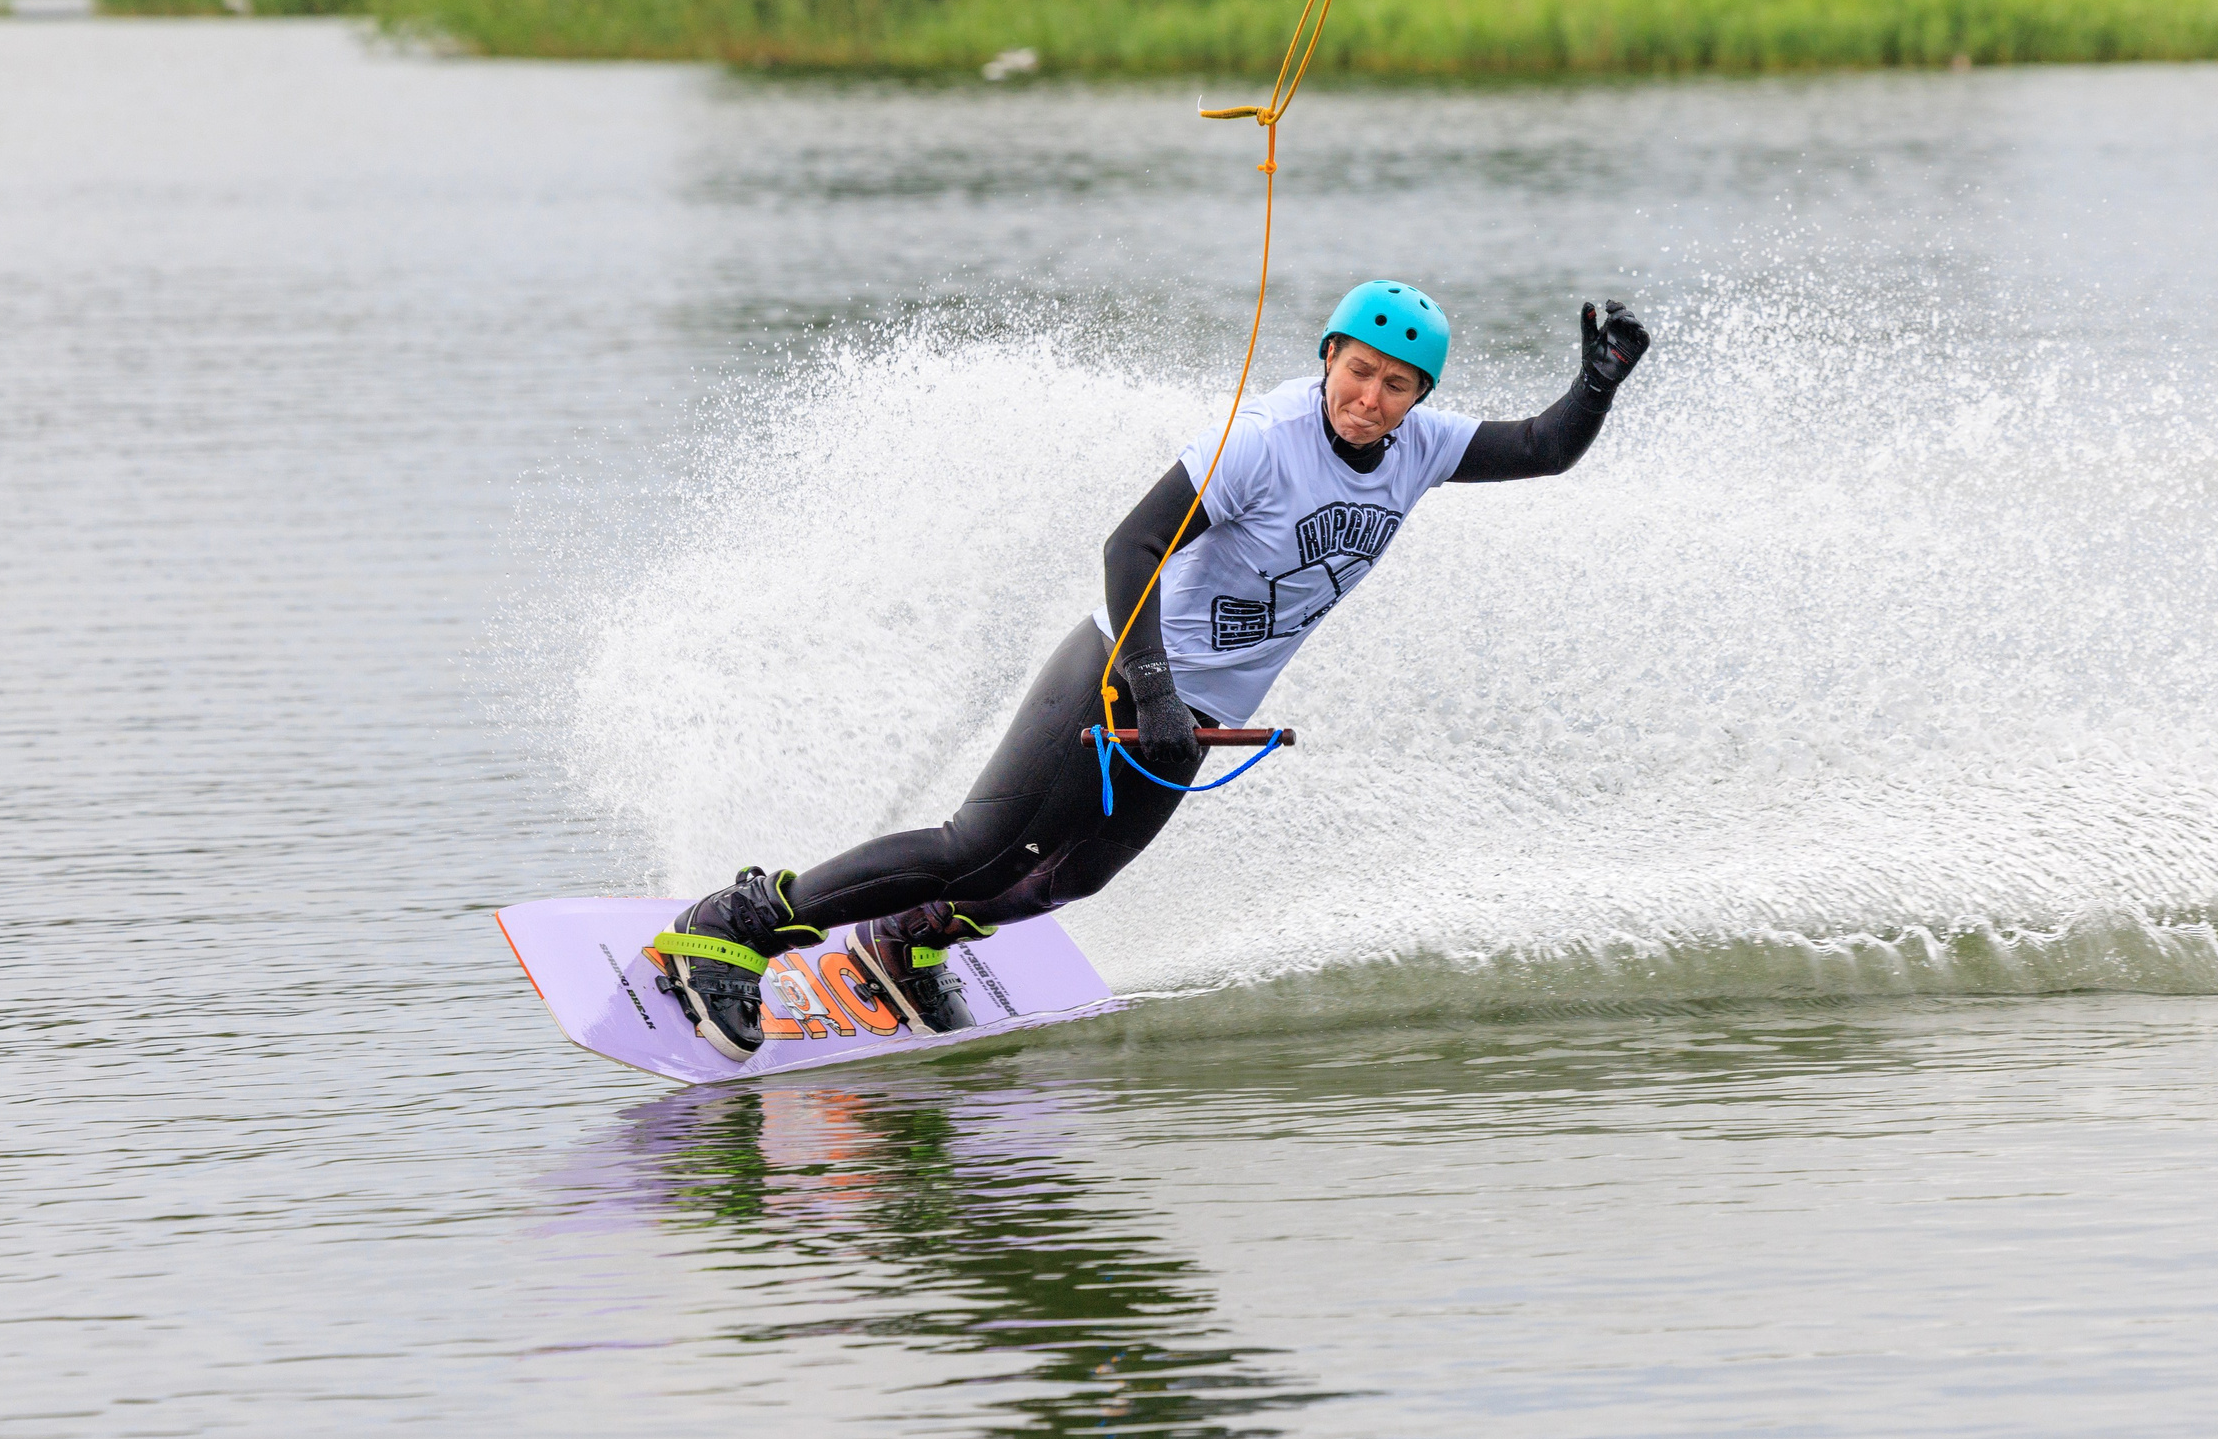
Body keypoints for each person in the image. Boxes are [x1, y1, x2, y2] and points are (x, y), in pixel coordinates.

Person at [653, 283, 1652, 1060]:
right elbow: (1129, 546)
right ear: (1327, 358)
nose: (1370, 397)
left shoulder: (1418, 449)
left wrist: (1594, 389)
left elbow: (1542, 448)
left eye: (1396, 385)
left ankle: (906, 938)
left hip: (1197, 710)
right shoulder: (1261, 442)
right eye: (1357, 370)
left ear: (1417, 399)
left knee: (1072, 874)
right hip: (1120, 662)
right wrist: (1153, 684)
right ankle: (735, 923)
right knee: (979, 842)